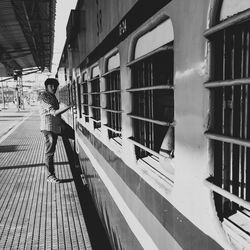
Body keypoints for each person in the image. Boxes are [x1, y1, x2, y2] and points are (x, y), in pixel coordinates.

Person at [38, 78, 74, 183]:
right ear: (46, 87)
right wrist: (70, 106)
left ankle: (77, 159)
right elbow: (54, 112)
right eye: (51, 86)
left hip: (57, 125)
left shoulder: (52, 96)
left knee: (75, 135)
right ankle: (50, 176)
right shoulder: (43, 97)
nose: (54, 88)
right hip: (48, 128)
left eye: (55, 86)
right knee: (50, 152)